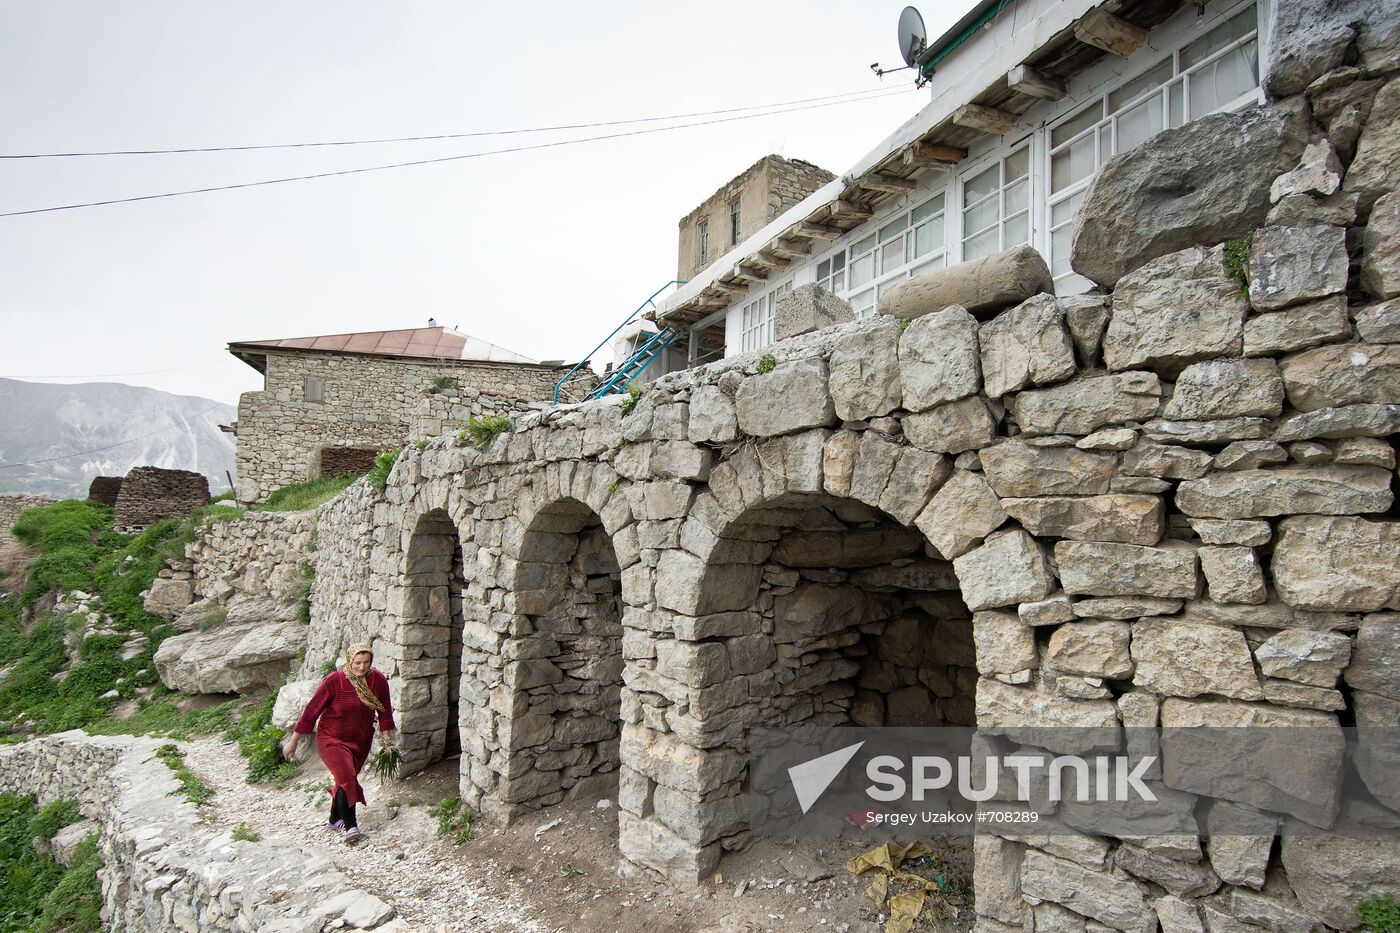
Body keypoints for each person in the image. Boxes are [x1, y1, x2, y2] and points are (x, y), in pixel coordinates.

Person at [282, 643, 397, 844]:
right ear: (349, 661)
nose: (361, 667)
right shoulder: (334, 681)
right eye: (357, 663)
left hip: (361, 740)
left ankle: (334, 819)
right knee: (347, 777)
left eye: (366, 662)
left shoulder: (377, 680)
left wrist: (388, 742)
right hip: (331, 739)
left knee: (344, 781)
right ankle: (351, 825)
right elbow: (311, 712)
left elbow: (385, 712)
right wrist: (293, 742)